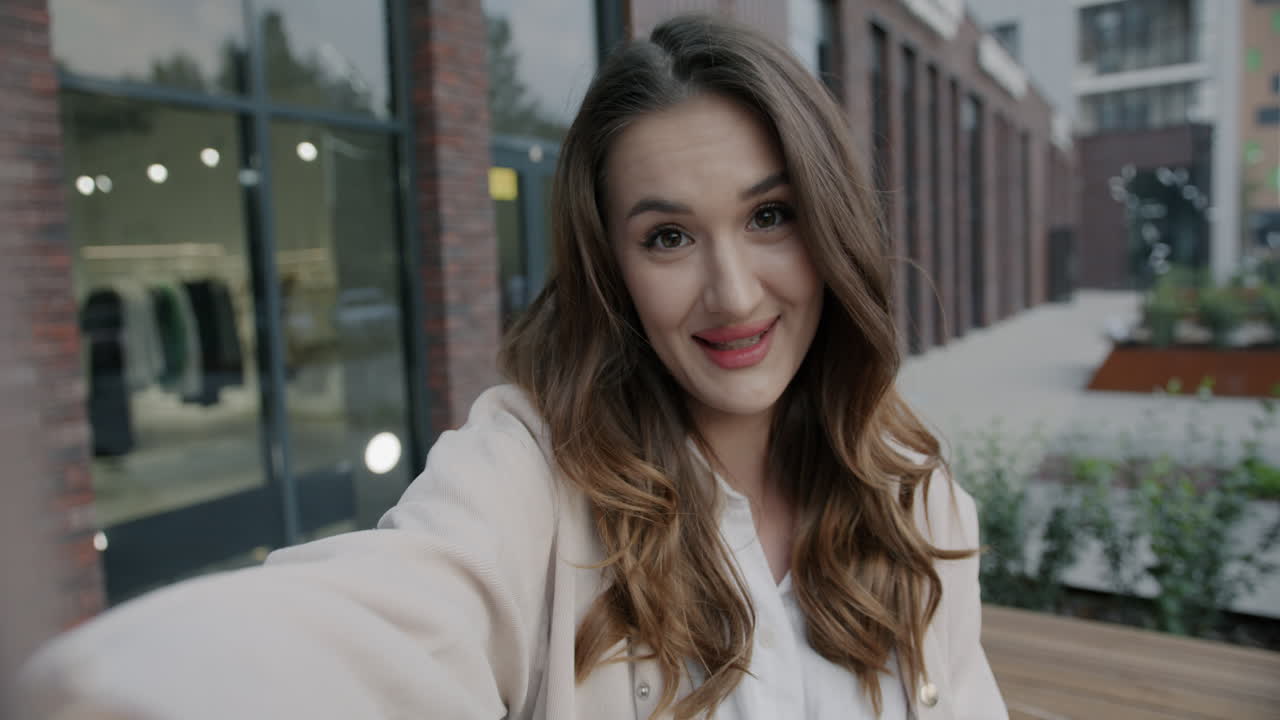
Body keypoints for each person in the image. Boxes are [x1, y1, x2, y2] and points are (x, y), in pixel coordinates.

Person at [16, 14, 1007, 720]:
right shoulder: (532, 479)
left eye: (769, 216)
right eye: (667, 237)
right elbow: (397, 610)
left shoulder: (915, 495)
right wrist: (111, 682)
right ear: (611, 268)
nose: (734, 293)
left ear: (830, 223)